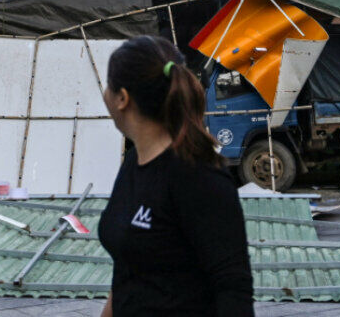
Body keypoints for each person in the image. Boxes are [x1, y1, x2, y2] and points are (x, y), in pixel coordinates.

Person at [98, 36, 254, 317]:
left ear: (122, 98)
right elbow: (128, 268)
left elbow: (233, 288)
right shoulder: (134, 162)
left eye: (108, 85)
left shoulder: (198, 177)